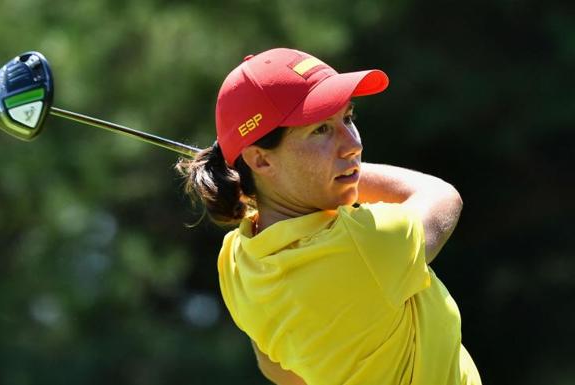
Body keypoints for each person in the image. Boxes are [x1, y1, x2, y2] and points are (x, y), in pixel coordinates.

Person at [176, 48, 481, 385]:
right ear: (261, 160)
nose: (353, 144)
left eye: (348, 118)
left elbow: (278, 370)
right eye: (321, 129)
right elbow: (440, 196)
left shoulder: (236, 261)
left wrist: (268, 182)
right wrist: (349, 172)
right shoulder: (362, 246)